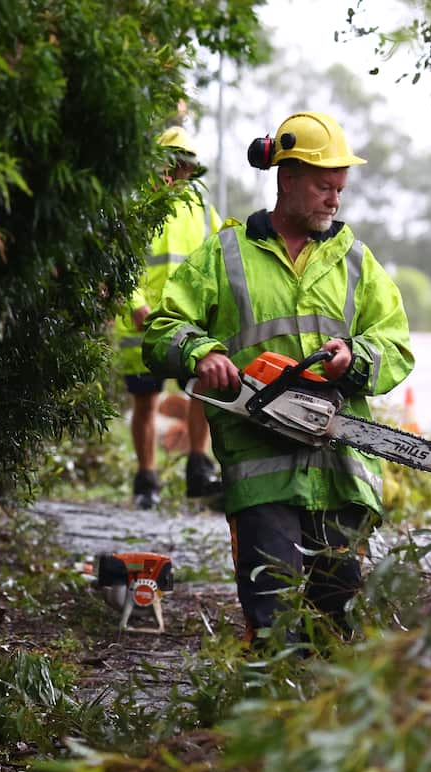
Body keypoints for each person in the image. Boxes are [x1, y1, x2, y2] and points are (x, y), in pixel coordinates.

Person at [143, 110, 414, 644]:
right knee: (273, 620)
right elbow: (162, 328)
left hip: (339, 468)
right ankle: (271, 715)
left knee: (338, 620)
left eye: (339, 188)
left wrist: (354, 358)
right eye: (322, 186)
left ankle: (331, 719)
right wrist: (201, 353)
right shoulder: (225, 256)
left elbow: (396, 345)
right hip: (262, 472)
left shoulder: (356, 262)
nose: (334, 199)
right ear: (286, 178)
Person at [114, 125, 223, 509]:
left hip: (189, 324)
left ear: (191, 170)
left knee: (203, 388)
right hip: (143, 327)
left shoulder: (202, 211)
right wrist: (136, 305)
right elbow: (120, 264)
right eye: (170, 165)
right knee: (145, 402)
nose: (176, 173)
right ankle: (147, 480)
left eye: (183, 167)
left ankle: (199, 466)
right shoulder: (138, 206)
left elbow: (219, 261)